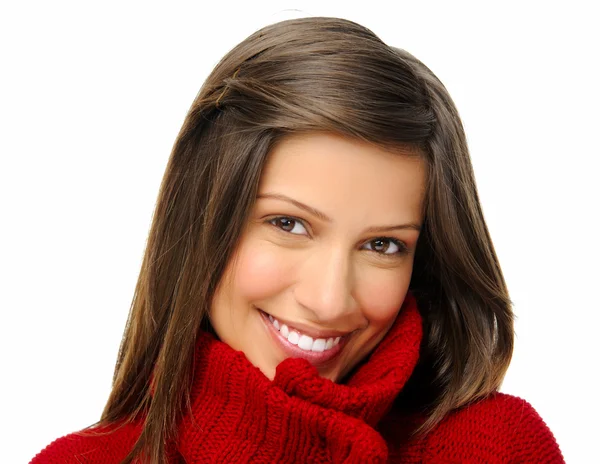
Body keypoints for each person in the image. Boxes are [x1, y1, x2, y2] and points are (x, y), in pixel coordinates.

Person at [31, 16, 564, 464]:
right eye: (287, 224)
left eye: (382, 245)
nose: (329, 300)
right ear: (202, 221)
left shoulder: (491, 447)